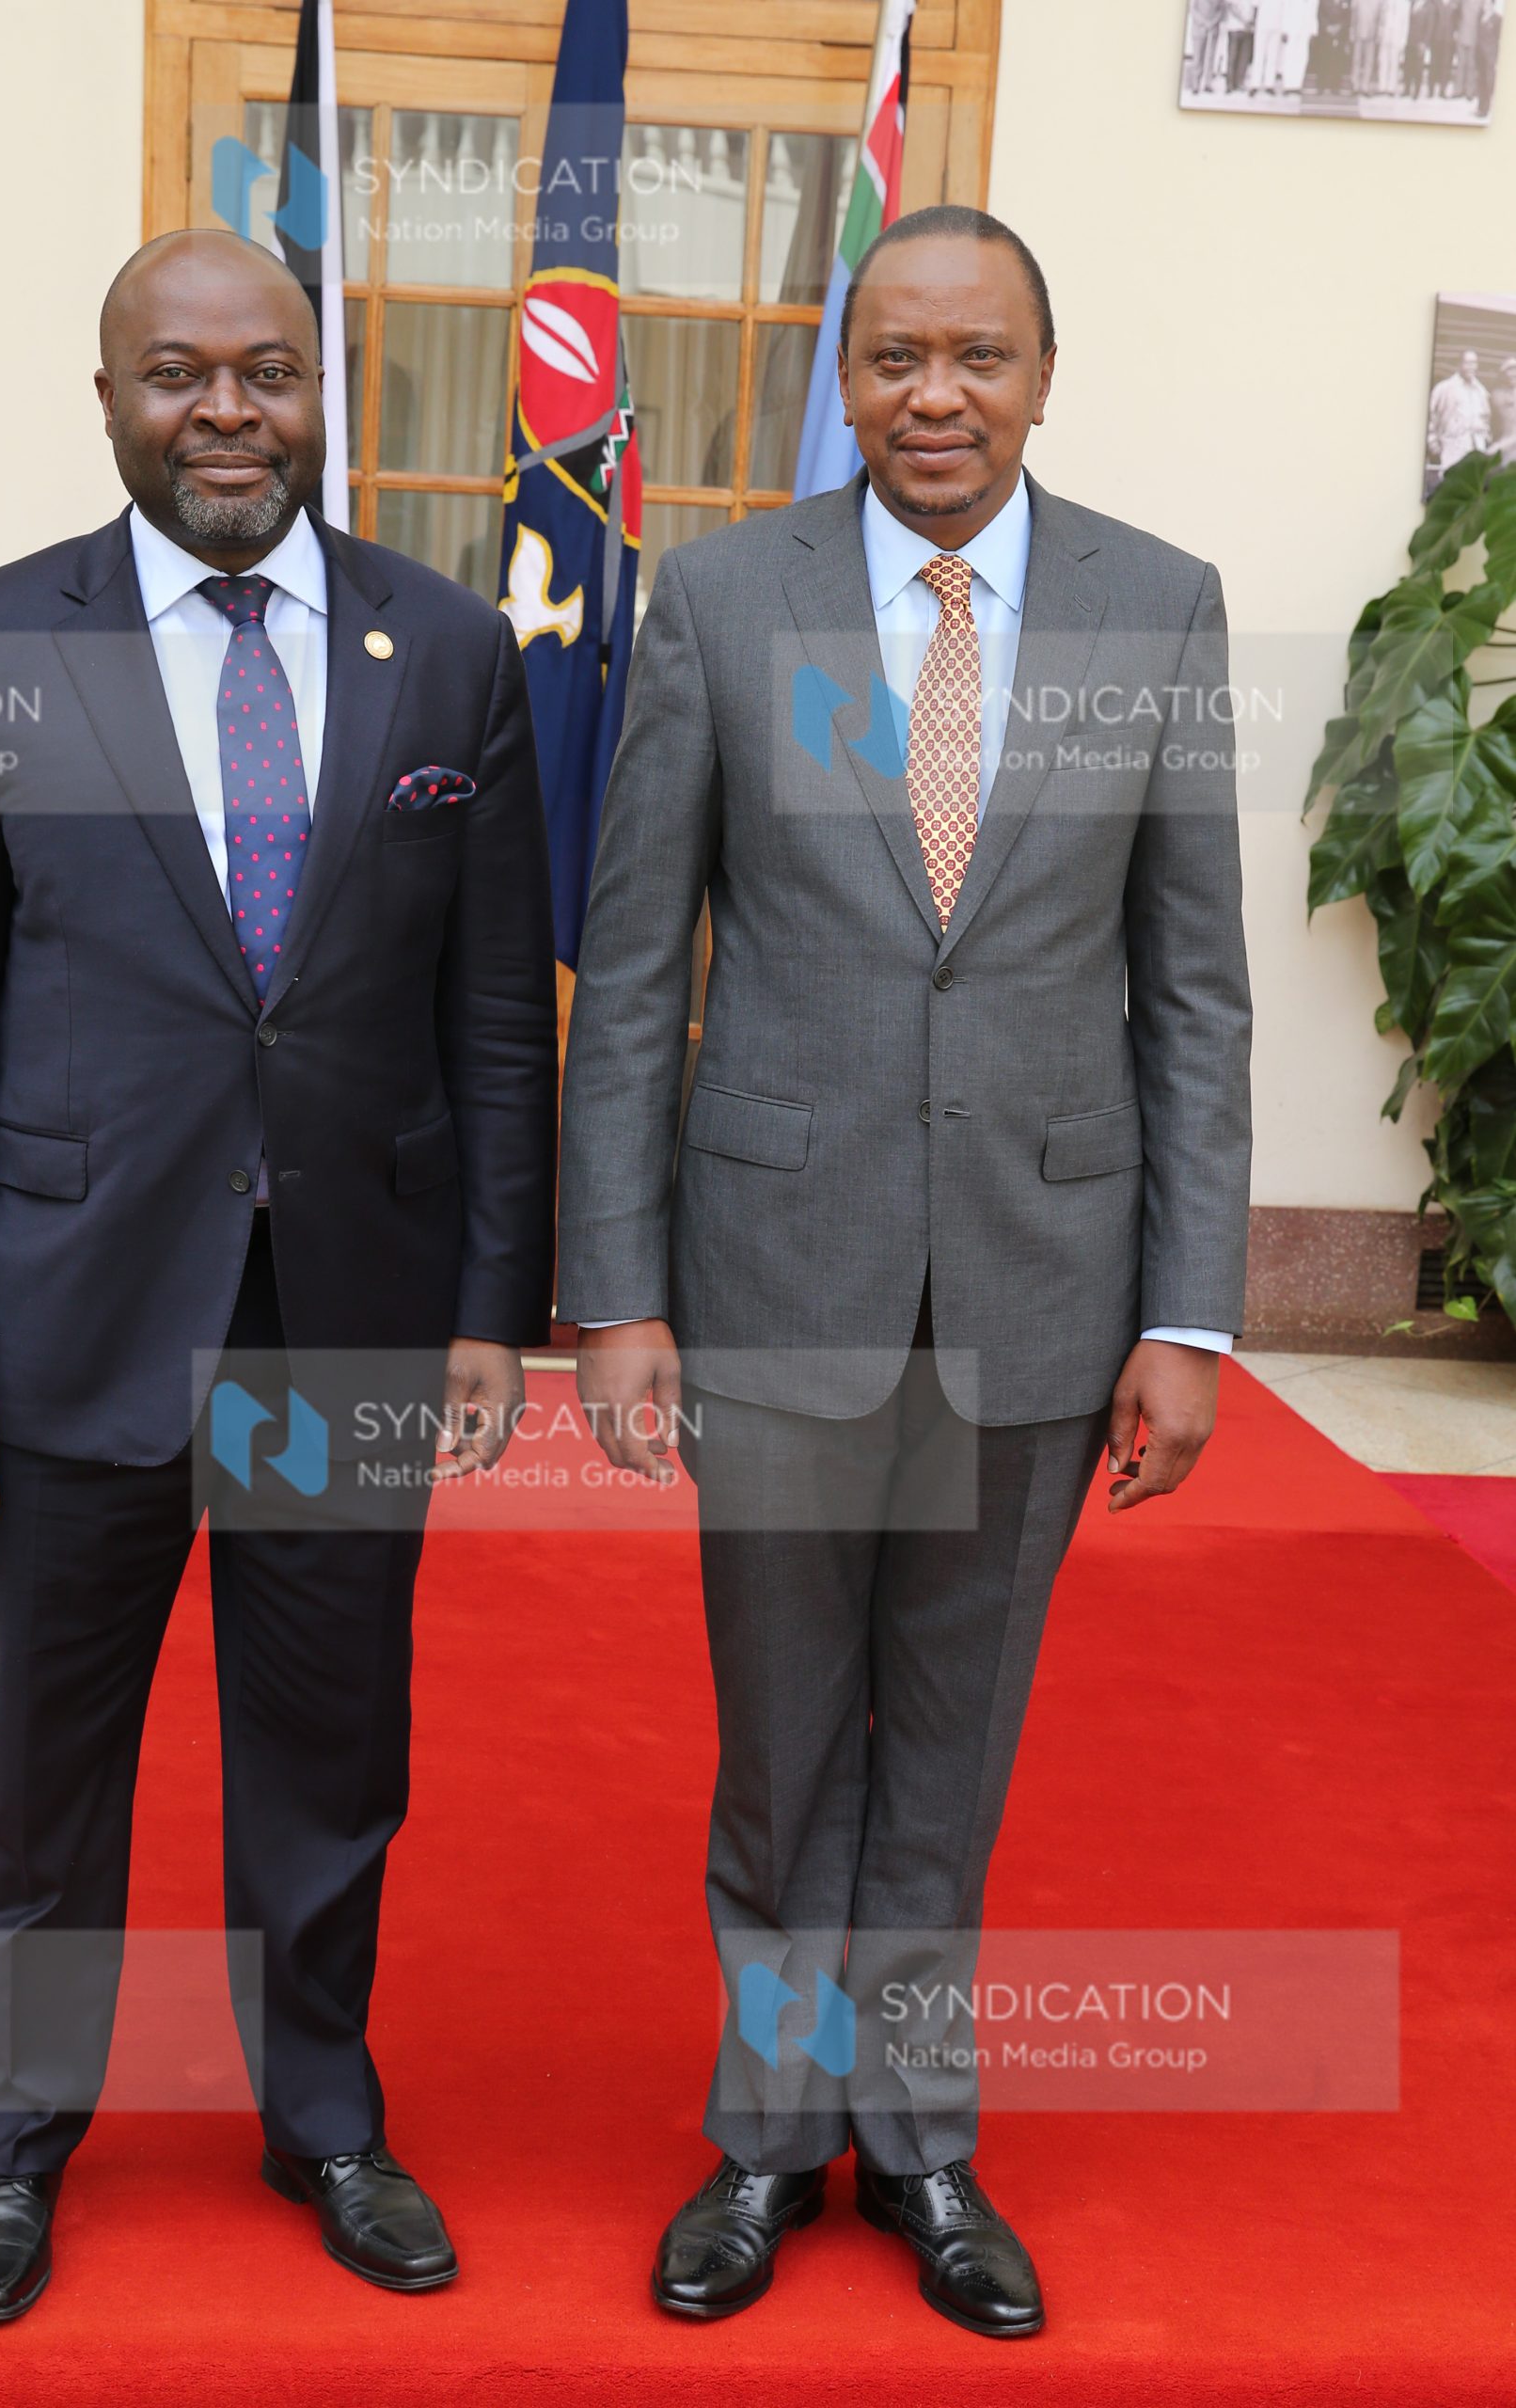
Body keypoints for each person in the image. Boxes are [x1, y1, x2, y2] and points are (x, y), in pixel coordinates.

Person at [557, 205, 1250, 2336]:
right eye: (894, 358)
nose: (933, 395)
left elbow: (1195, 987)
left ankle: (922, 2138)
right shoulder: (721, 594)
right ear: (844, 378)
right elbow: (632, 960)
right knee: (784, 1750)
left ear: (1044, 371)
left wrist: (1188, 1308)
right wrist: (618, 1288)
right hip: (772, 1270)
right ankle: (767, 2139)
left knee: (948, 1745)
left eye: (980, 354)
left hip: (1041, 1288)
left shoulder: (1162, 605)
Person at [0, 229, 558, 2322]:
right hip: (75, 1312)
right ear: (109, 402)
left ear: (320, 392)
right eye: (180, 375)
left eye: (266, 372)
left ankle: (322, 2114)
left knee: (331, 1754)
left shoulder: (441, 651)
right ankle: (15, 2139)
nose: (228, 411)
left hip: (347, 1302)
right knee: (47, 1763)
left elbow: (495, 1019)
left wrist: (488, 1302)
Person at [1428, 347, 1493, 475]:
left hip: (1476, 447)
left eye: (1474, 363)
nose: (1471, 367)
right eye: (1468, 363)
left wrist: (1485, 438)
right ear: (1459, 364)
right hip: (1453, 446)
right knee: (1453, 483)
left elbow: (1486, 418)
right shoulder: (1445, 389)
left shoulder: (1481, 391)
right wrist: (1433, 443)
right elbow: (1432, 416)